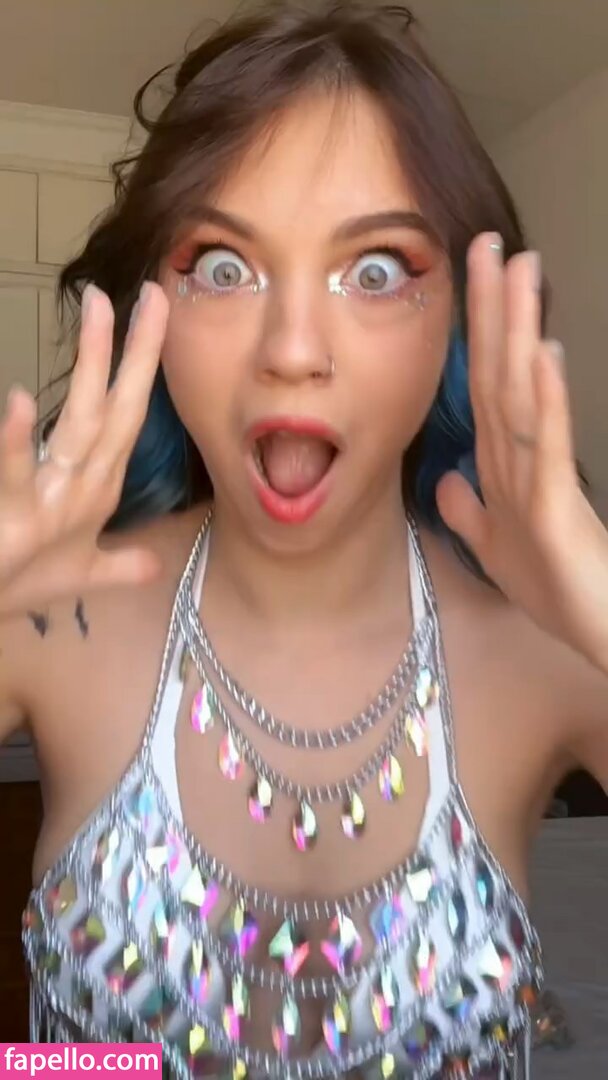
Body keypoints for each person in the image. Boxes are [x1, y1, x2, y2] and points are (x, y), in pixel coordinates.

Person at [2, 2, 607, 1076]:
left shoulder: (550, 648)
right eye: (222, 265)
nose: (291, 348)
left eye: (374, 271)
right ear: (150, 312)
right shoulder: (51, 619)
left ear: (460, 320)